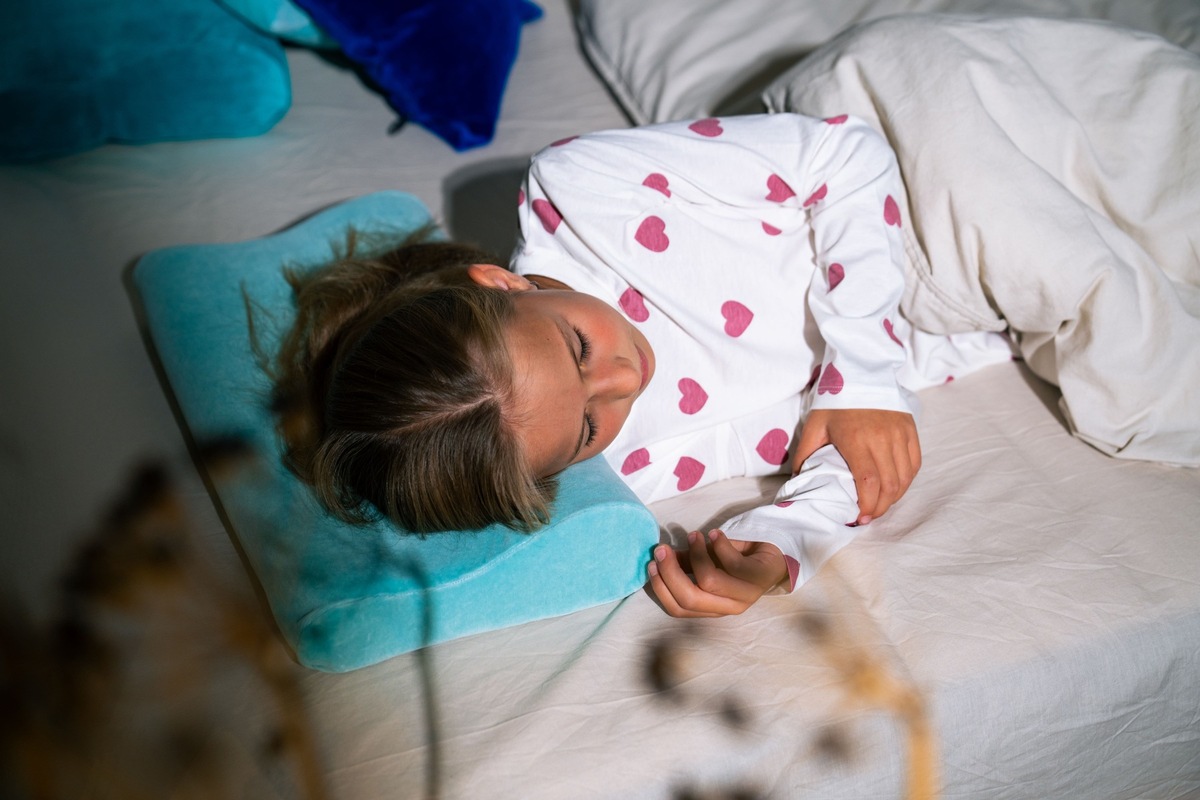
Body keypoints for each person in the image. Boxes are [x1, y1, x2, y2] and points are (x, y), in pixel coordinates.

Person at [269, 113, 1013, 619]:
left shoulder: (583, 192)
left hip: (932, 154)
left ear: (500, 283)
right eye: (588, 427)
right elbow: (864, 433)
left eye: (577, 348)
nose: (627, 379)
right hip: (982, 314)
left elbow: (847, 152)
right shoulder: (630, 462)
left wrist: (863, 373)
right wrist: (784, 541)